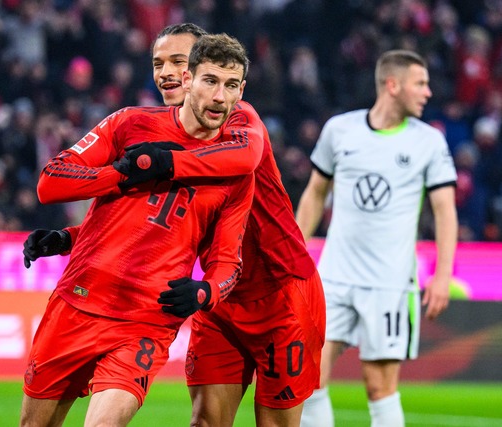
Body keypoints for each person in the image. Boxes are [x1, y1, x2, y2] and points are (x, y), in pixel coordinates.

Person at [24, 23, 325, 427]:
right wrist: (71, 237)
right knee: (204, 422)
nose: (167, 72)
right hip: (215, 299)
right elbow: (154, 220)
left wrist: (161, 163)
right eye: (158, 63)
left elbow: (244, 157)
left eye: (178, 61)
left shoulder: (240, 126)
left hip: (281, 290)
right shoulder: (135, 124)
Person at [296, 49, 458, 427]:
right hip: (333, 278)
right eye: (420, 83)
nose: (428, 92)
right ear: (392, 85)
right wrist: (293, 251)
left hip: (389, 284)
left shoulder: (428, 142)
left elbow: (445, 210)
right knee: (308, 377)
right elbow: (315, 193)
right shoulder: (340, 130)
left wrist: (443, 274)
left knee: (379, 387)